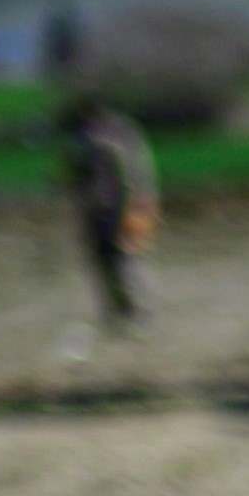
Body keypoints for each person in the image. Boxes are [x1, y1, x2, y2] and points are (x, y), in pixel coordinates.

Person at [62, 95, 154, 327]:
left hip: (110, 211)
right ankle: (122, 309)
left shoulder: (100, 144)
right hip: (104, 211)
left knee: (117, 261)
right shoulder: (107, 140)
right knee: (111, 262)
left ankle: (131, 309)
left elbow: (111, 181)